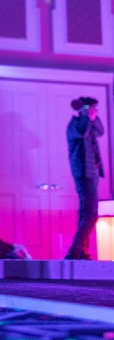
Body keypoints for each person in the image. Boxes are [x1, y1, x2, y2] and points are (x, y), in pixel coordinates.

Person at [65, 96, 104, 261]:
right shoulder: (75, 125)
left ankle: (81, 252)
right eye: (92, 109)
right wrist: (86, 115)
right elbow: (82, 132)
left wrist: (92, 117)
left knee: (85, 213)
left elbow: (100, 131)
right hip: (83, 173)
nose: (95, 112)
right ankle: (74, 251)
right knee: (91, 214)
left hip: (93, 173)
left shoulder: (88, 124)